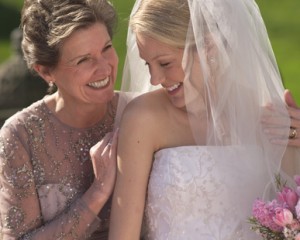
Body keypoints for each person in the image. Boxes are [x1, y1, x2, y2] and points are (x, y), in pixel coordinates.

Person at [108, 0, 300, 239]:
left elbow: (289, 219)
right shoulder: (143, 118)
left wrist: (296, 145)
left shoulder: (266, 115)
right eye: (148, 64)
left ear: (208, 46)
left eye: (165, 63)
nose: (155, 78)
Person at [0, 0, 119, 239]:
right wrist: (97, 193)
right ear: (46, 72)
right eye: (83, 60)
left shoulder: (139, 113)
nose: (105, 68)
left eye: (106, 48)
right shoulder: (20, 137)